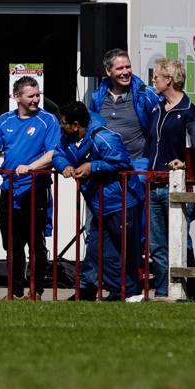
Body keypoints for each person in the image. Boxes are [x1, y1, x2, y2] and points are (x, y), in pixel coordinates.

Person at [0, 75, 60, 300]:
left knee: (36, 243)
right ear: (16, 97)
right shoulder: (4, 120)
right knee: (12, 244)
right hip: (9, 189)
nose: (35, 100)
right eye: (31, 96)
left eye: (37, 95)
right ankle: (14, 292)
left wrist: (31, 167)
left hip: (36, 189)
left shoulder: (48, 120)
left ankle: (36, 290)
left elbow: (53, 153)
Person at [54, 101, 143, 301]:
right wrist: (64, 166)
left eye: (63, 122)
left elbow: (122, 162)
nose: (60, 125)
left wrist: (92, 167)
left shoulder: (104, 137)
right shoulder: (68, 138)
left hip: (121, 203)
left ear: (75, 125)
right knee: (97, 250)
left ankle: (129, 292)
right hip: (99, 204)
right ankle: (119, 292)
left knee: (122, 252)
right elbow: (58, 154)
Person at [144, 59, 195, 300]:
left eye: (156, 76)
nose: (153, 80)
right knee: (156, 245)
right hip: (153, 185)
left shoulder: (190, 111)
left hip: (176, 185)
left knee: (182, 241)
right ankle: (162, 291)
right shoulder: (157, 108)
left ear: (168, 80)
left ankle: (189, 293)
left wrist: (185, 164)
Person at [88, 48, 159, 160]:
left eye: (128, 67)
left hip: (137, 164)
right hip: (106, 164)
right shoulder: (97, 97)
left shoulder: (145, 94)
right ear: (108, 71)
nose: (126, 72)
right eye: (120, 68)